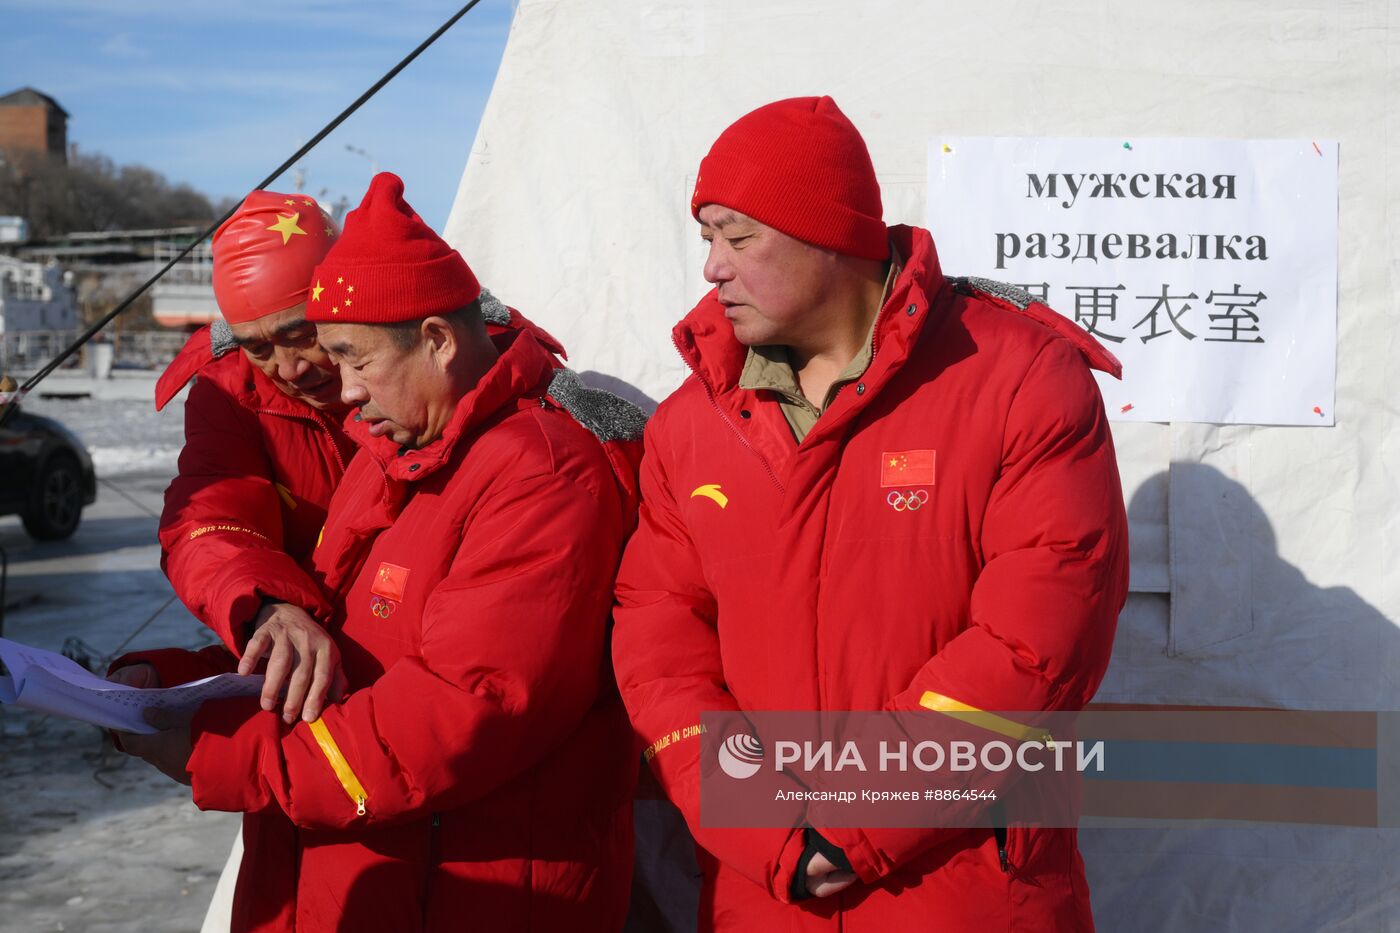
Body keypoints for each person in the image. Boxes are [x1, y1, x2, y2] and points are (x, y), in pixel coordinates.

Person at [611, 96, 1130, 929]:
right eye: (707, 238)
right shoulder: (691, 425)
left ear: (829, 235)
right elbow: (661, 639)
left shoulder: (1017, 379)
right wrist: (762, 821)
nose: (712, 268)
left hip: (965, 894)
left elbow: (1038, 638)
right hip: (764, 893)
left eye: (738, 238)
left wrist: (853, 819)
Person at [120, 173, 644, 932]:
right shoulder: (394, 436)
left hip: (460, 871)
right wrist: (189, 676)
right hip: (365, 850)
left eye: (328, 347)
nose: (325, 382)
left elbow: (460, 711)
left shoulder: (531, 463)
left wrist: (230, 754)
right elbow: (330, 619)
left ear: (434, 338)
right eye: (261, 347)